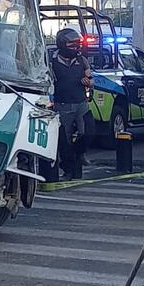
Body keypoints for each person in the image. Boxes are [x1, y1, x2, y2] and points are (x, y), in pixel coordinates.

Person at [50, 27, 93, 179]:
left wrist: (88, 82)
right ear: (62, 44)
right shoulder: (51, 60)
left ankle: (80, 153)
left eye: (77, 44)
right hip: (62, 104)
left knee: (87, 131)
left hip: (81, 103)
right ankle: (68, 169)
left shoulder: (82, 60)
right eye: (72, 44)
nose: (76, 48)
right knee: (64, 141)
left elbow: (90, 78)